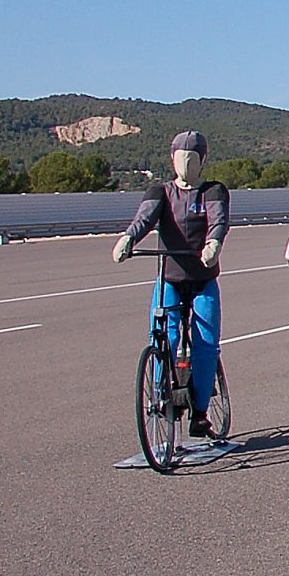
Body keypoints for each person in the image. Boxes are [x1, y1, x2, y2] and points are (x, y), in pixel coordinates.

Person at [112, 131, 229, 439]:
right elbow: (144, 219)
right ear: (172, 160)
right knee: (165, 332)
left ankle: (200, 412)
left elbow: (218, 220)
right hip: (170, 278)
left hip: (202, 279)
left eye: (192, 159)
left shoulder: (213, 191)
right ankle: (163, 395)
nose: (186, 165)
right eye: (181, 158)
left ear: (202, 161)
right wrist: (128, 238)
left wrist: (213, 243)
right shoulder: (160, 192)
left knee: (205, 345)